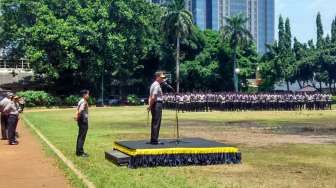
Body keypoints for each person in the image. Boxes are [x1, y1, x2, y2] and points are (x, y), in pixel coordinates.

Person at [147, 71, 166, 145]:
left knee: (154, 122)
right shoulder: (157, 85)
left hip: (154, 104)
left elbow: (150, 97)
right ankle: (155, 140)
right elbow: (153, 96)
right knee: (157, 122)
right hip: (157, 104)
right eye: (161, 77)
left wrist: (150, 105)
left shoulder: (153, 84)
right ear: (157, 77)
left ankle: (153, 139)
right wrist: (150, 105)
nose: (163, 79)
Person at [75, 90, 90, 157]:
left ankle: (78, 151)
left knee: (80, 136)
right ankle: (80, 152)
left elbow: (77, 110)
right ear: (84, 95)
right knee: (82, 136)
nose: (88, 96)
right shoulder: (84, 101)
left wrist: (77, 117)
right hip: (83, 120)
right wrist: (78, 117)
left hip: (81, 120)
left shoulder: (80, 101)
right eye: (87, 94)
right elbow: (80, 110)